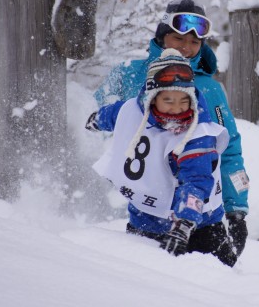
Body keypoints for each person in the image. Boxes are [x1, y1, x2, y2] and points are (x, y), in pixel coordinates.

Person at [87, 0, 250, 256]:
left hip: (198, 210)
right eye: (178, 38)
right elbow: (100, 117)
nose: (186, 47)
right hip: (137, 204)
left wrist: (237, 208)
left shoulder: (208, 88)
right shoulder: (129, 74)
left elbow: (228, 149)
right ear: (162, 36)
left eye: (194, 42)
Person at [92, 48, 237, 266]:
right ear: (151, 98)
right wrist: (95, 119)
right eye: (168, 100)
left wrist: (185, 222)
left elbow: (196, 182)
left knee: (214, 280)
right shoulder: (133, 110)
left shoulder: (196, 135)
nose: (177, 108)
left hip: (199, 227)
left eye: (184, 100)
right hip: (145, 219)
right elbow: (114, 114)